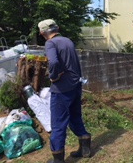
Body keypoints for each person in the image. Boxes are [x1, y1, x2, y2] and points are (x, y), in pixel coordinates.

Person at [38, 19, 91, 163]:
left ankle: (58, 159)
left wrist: (54, 76)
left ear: (42, 33)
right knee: (75, 116)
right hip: (75, 85)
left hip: (61, 89)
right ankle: (85, 148)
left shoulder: (50, 43)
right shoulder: (68, 41)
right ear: (58, 28)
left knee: (58, 123)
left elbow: (54, 62)